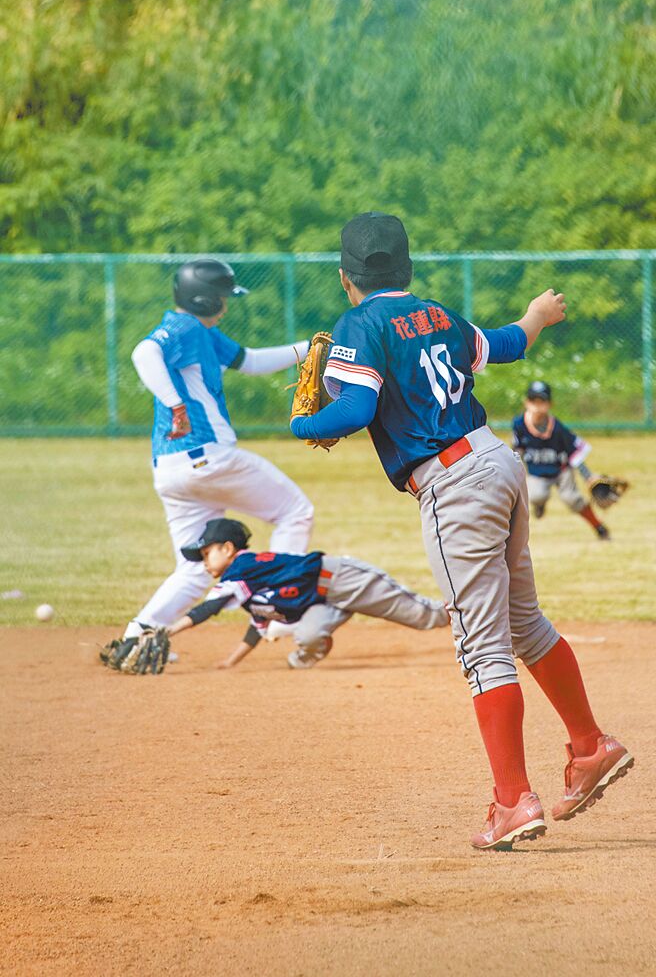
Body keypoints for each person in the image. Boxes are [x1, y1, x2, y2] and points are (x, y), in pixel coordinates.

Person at [290, 212, 633, 850]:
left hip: (453, 485)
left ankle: (511, 802)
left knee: (482, 644)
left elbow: (356, 409)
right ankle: (589, 745)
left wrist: (306, 427)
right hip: (496, 461)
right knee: (524, 623)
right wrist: (537, 315)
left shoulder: (359, 324)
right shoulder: (438, 314)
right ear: (408, 269)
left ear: (346, 279)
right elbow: (506, 343)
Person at [107, 259, 314, 660]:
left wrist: (308, 349)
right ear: (205, 299)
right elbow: (144, 352)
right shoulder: (184, 328)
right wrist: (175, 405)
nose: (226, 304)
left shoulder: (203, 333)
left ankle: (137, 637)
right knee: (294, 512)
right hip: (210, 459)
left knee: (196, 566)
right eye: (222, 297)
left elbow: (250, 361)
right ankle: (277, 609)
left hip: (171, 470)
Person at [165, 517, 450, 669]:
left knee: (426, 617)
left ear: (227, 549)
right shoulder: (246, 588)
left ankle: (474, 608)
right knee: (307, 637)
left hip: (343, 579)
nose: (203, 562)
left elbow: (207, 608)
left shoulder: (241, 567)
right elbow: (257, 627)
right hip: (321, 601)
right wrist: (230, 662)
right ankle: (302, 661)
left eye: (206, 553)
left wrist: (168, 631)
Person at [512, 380, 609, 539]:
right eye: (533, 400)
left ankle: (598, 527)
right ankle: (540, 505)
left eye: (541, 401)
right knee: (536, 495)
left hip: (562, 471)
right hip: (538, 473)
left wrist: (588, 476)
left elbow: (574, 453)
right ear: (526, 402)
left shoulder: (557, 428)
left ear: (550, 404)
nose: (537, 405)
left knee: (572, 500)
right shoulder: (519, 425)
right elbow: (516, 450)